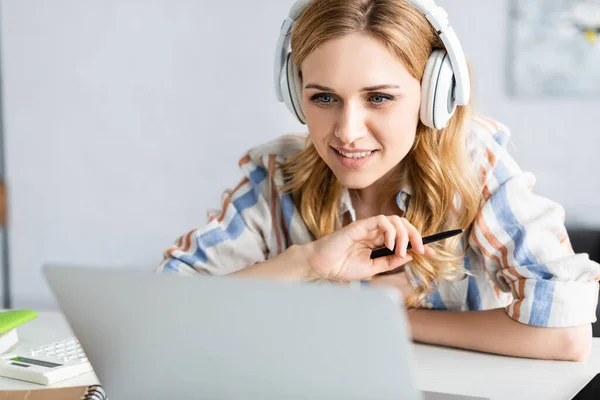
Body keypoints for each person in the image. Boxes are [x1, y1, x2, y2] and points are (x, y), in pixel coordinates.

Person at [154, 0, 600, 361]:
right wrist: (307, 263)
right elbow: (162, 313)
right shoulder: (277, 173)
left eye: (379, 98)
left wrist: (379, 320)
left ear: (434, 97)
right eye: (324, 97)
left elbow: (566, 334)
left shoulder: (474, 167)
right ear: (295, 94)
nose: (347, 131)